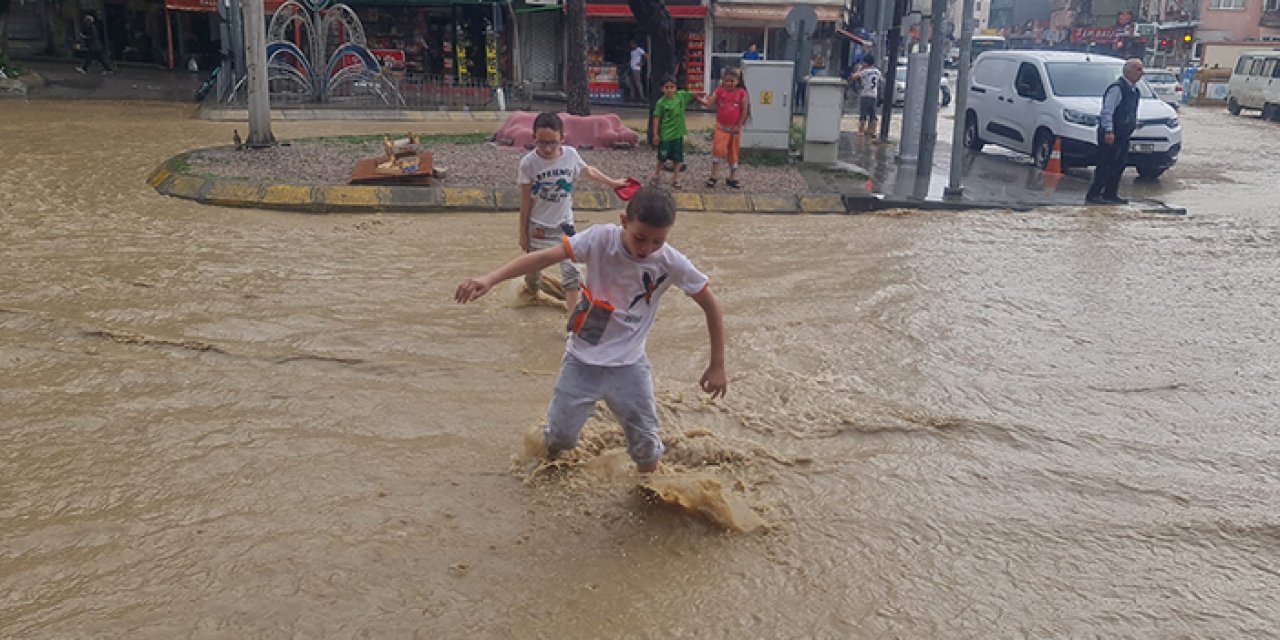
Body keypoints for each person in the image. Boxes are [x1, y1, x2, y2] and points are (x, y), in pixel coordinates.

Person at [454, 187, 728, 473]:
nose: (646, 248)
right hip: (581, 359)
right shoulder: (599, 239)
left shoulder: (671, 262)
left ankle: (648, 494)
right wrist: (490, 278)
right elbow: (543, 258)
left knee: (646, 448)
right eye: (640, 238)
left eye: (658, 241)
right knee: (560, 438)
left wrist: (717, 365)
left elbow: (711, 305)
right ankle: (548, 474)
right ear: (624, 222)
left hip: (629, 366)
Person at [518, 112, 629, 315]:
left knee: (572, 272)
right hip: (538, 228)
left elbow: (589, 171)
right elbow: (525, 203)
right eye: (541, 143)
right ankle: (532, 292)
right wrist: (523, 234)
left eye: (553, 142)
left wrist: (613, 183)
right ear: (533, 138)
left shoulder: (570, 155)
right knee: (533, 273)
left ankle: (572, 322)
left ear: (563, 138)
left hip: (564, 226)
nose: (547, 148)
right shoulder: (528, 163)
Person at [1086, 58, 1144, 205]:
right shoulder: (1117, 88)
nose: (1141, 73)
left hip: (1124, 135)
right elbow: (1107, 111)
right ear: (1128, 71)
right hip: (1111, 134)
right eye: (1138, 69)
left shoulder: (1134, 91)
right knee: (1105, 164)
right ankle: (1094, 195)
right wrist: (1109, 131)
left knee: (1119, 164)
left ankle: (1110, 194)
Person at [700, 67, 750, 189]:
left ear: (738, 81)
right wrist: (699, 99)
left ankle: (732, 177)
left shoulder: (742, 93)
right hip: (721, 127)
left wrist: (739, 125)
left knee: (733, 153)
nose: (728, 83)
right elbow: (709, 103)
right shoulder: (719, 91)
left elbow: (744, 110)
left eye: (732, 81)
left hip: (735, 129)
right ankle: (714, 175)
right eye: (726, 80)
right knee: (718, 150)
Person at [650, 75, 698, 190]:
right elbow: (656, 118)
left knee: (677, 158)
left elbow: (694, 93)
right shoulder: (661, 103)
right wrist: (655, 134)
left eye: (672, 87)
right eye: (667, 87)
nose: (669, 90)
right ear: (662, 89)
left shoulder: (680, 97)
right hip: (666, 135)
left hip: (678, 134)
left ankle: (676, 178)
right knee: (662, 157)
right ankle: (656, 175)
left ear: (676, 88)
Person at [851, 55, 882, 136]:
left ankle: (861, 131)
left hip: (865, 94)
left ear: (866, 63)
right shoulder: (877, 72)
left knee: (863, 114)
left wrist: (859, 69)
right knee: (873, 114)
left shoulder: (865, 72)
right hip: (874, 95)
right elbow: (880, 80)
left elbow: (854, 77)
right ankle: (873, 131)